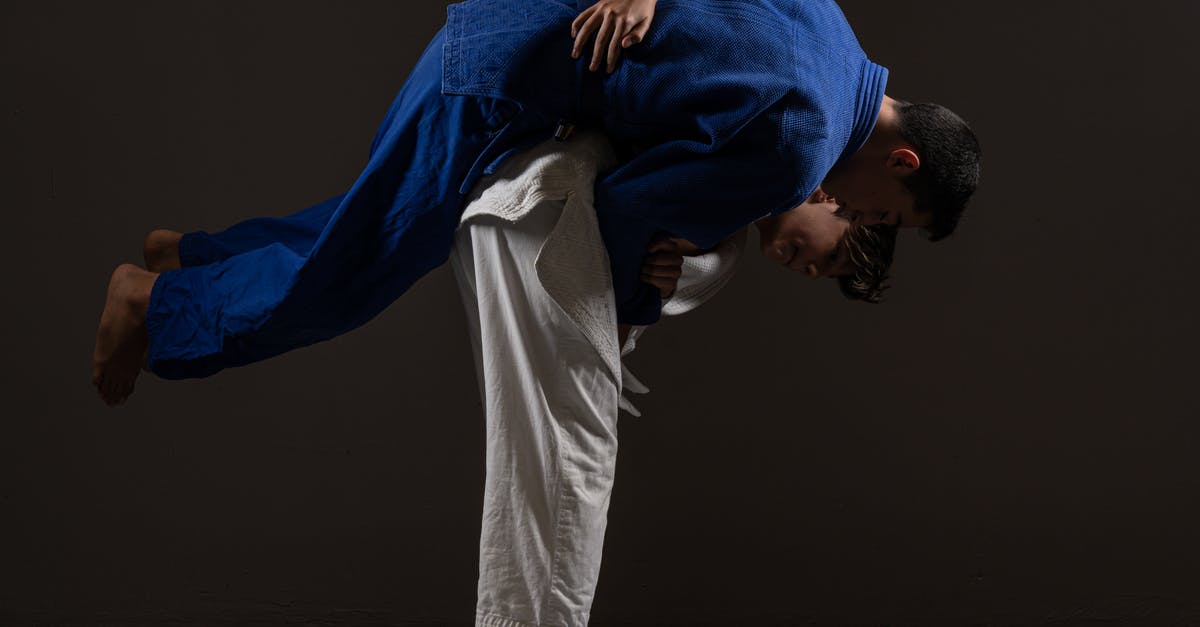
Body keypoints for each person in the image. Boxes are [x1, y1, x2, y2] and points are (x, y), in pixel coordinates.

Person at [92, 0, 976, 408]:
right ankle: (154, 304)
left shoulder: (831, 23)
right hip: (495, 87)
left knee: (373, 221)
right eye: (884, 214)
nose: (859, 218)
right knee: (360, 269)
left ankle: (194, 254)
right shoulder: (802, 147)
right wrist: (644, 293)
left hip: (503, 27)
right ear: (902, 162)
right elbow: (626, 209)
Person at [445, 131, 894, 626]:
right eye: (831, 258)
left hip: (509, 222)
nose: (809, 272)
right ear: (830, 199)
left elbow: (633, 293)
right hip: (543, 221)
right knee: (568, 464)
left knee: (533, 459)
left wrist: (655, 279)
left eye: (822, 275)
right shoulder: (761, 164)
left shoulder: (729, 243)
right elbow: (633, 196)